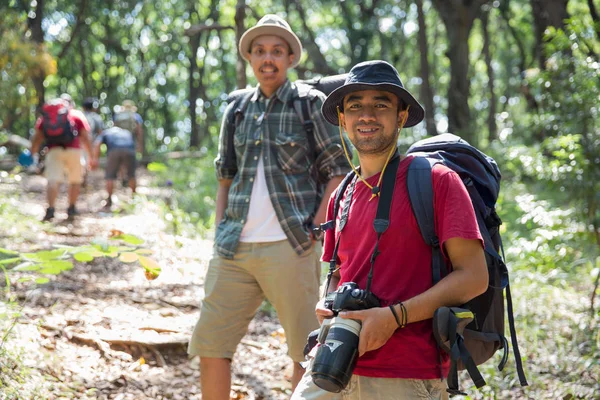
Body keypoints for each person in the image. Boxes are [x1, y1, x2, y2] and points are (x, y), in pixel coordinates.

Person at [291, 60, 489, 400]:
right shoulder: (341, 195)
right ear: (342, 118)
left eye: (380, 104)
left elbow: (474, 276)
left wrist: (394, 317)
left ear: (400, 116)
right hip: (334, 364)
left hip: (406, 373)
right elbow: (338, 273)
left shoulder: (436, 180)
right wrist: (328, 303)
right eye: (355, 106)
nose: (366, 115)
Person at [188, 14, 352, 399]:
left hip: (292, 245)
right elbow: (225, 174)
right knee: (210, 344)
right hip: (233, 248)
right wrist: (218, 231)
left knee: (304, 351)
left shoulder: (309, 104)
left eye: (276, 51)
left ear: (290, 58)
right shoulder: (237, 109)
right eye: (260, 51)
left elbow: (338, 170)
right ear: (249, 58)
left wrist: (315, 227)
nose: (268, 58)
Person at [30, 95, 92, 221]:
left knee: (53, 179)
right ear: (71, 104)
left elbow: (37, 137)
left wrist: (33, 153)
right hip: (74, 150)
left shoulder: (47, 117)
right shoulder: (76, 114)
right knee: (75, 180)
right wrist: (90, 155)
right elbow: (85, 136)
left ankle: (51, 209)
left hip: (53, 151)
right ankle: (71, 208)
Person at [91, 126, 137, 209]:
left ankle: (109, 200)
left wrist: (95, 159)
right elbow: (133, 144)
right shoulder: (126, 131)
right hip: (130, 150)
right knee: (131, 175)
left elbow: (97, 144)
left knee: (110, 176)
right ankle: (134, 199)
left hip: (113, 150)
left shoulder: (105, 132)